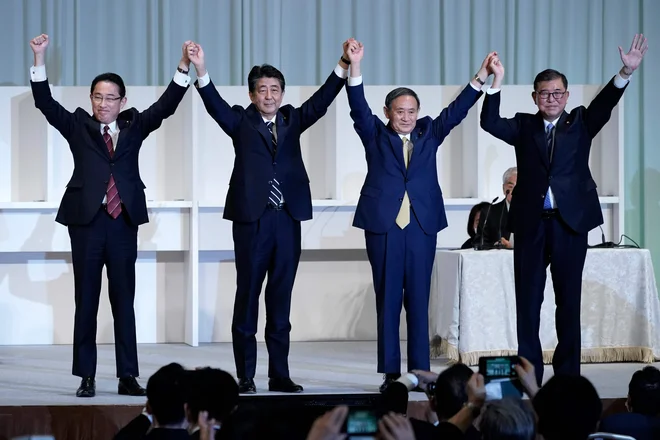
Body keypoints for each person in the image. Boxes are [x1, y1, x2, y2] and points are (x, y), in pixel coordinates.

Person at [29, 34, 193, 397]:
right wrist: (39, 58)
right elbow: (44, 102)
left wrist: (184, 66)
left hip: (122, 223)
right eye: (98, 97)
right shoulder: (77, 126)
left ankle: (127, 376)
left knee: (123, 300)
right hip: (86, 223)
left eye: (110, 98)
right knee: (85, 301)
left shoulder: (134, 126)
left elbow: (166, 106)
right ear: (90, 99)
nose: (104, 104)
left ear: (122, 101)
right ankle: (86, 376)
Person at [480, 34, 648, 386]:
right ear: (535, 97)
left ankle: (568, 376)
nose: (551, 99)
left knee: (568, 302)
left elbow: (605, 104)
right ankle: (528, 375)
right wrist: (494, 82)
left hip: (570, 224)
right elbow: (490, 123)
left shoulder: (581, 122)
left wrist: (625, 73)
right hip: (529, 225)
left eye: (557, 93)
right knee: (527, 303)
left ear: (567, 96)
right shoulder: (525, 125)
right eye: (544, 93)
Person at [187, 41, 351, 394]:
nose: (269, 95)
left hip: (286, 219)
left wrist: (343, 63)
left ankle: (279, 374)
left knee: (281, 299)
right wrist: (200, 69)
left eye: (275, 89)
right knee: (247, 295)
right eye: (262, 89)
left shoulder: (292, 119)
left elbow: (322, 100)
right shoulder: (240, 121)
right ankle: (245, 376)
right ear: (251, 94)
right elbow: (213, 103)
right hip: (252, 221)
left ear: (282, 93)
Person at [344, 38, 496, 392]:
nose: (407, 117)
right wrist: (354, 66)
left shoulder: (429, 134)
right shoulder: (374, 135)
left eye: (412, 111)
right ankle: (390, 374)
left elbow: (457, 110)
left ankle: (421, 372)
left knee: (418, 297)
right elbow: (356, 106)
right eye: (400, 111)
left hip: (421, 226)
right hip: (383, 226)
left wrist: (482, 76)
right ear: (388, 112)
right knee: (388, 300)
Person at [477, 166, 516, 249]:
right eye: (511, 187)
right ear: (504, 188)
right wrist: (497, 246)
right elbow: (480, 243)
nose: (515, 192)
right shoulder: (489, 212)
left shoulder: (535, 213)